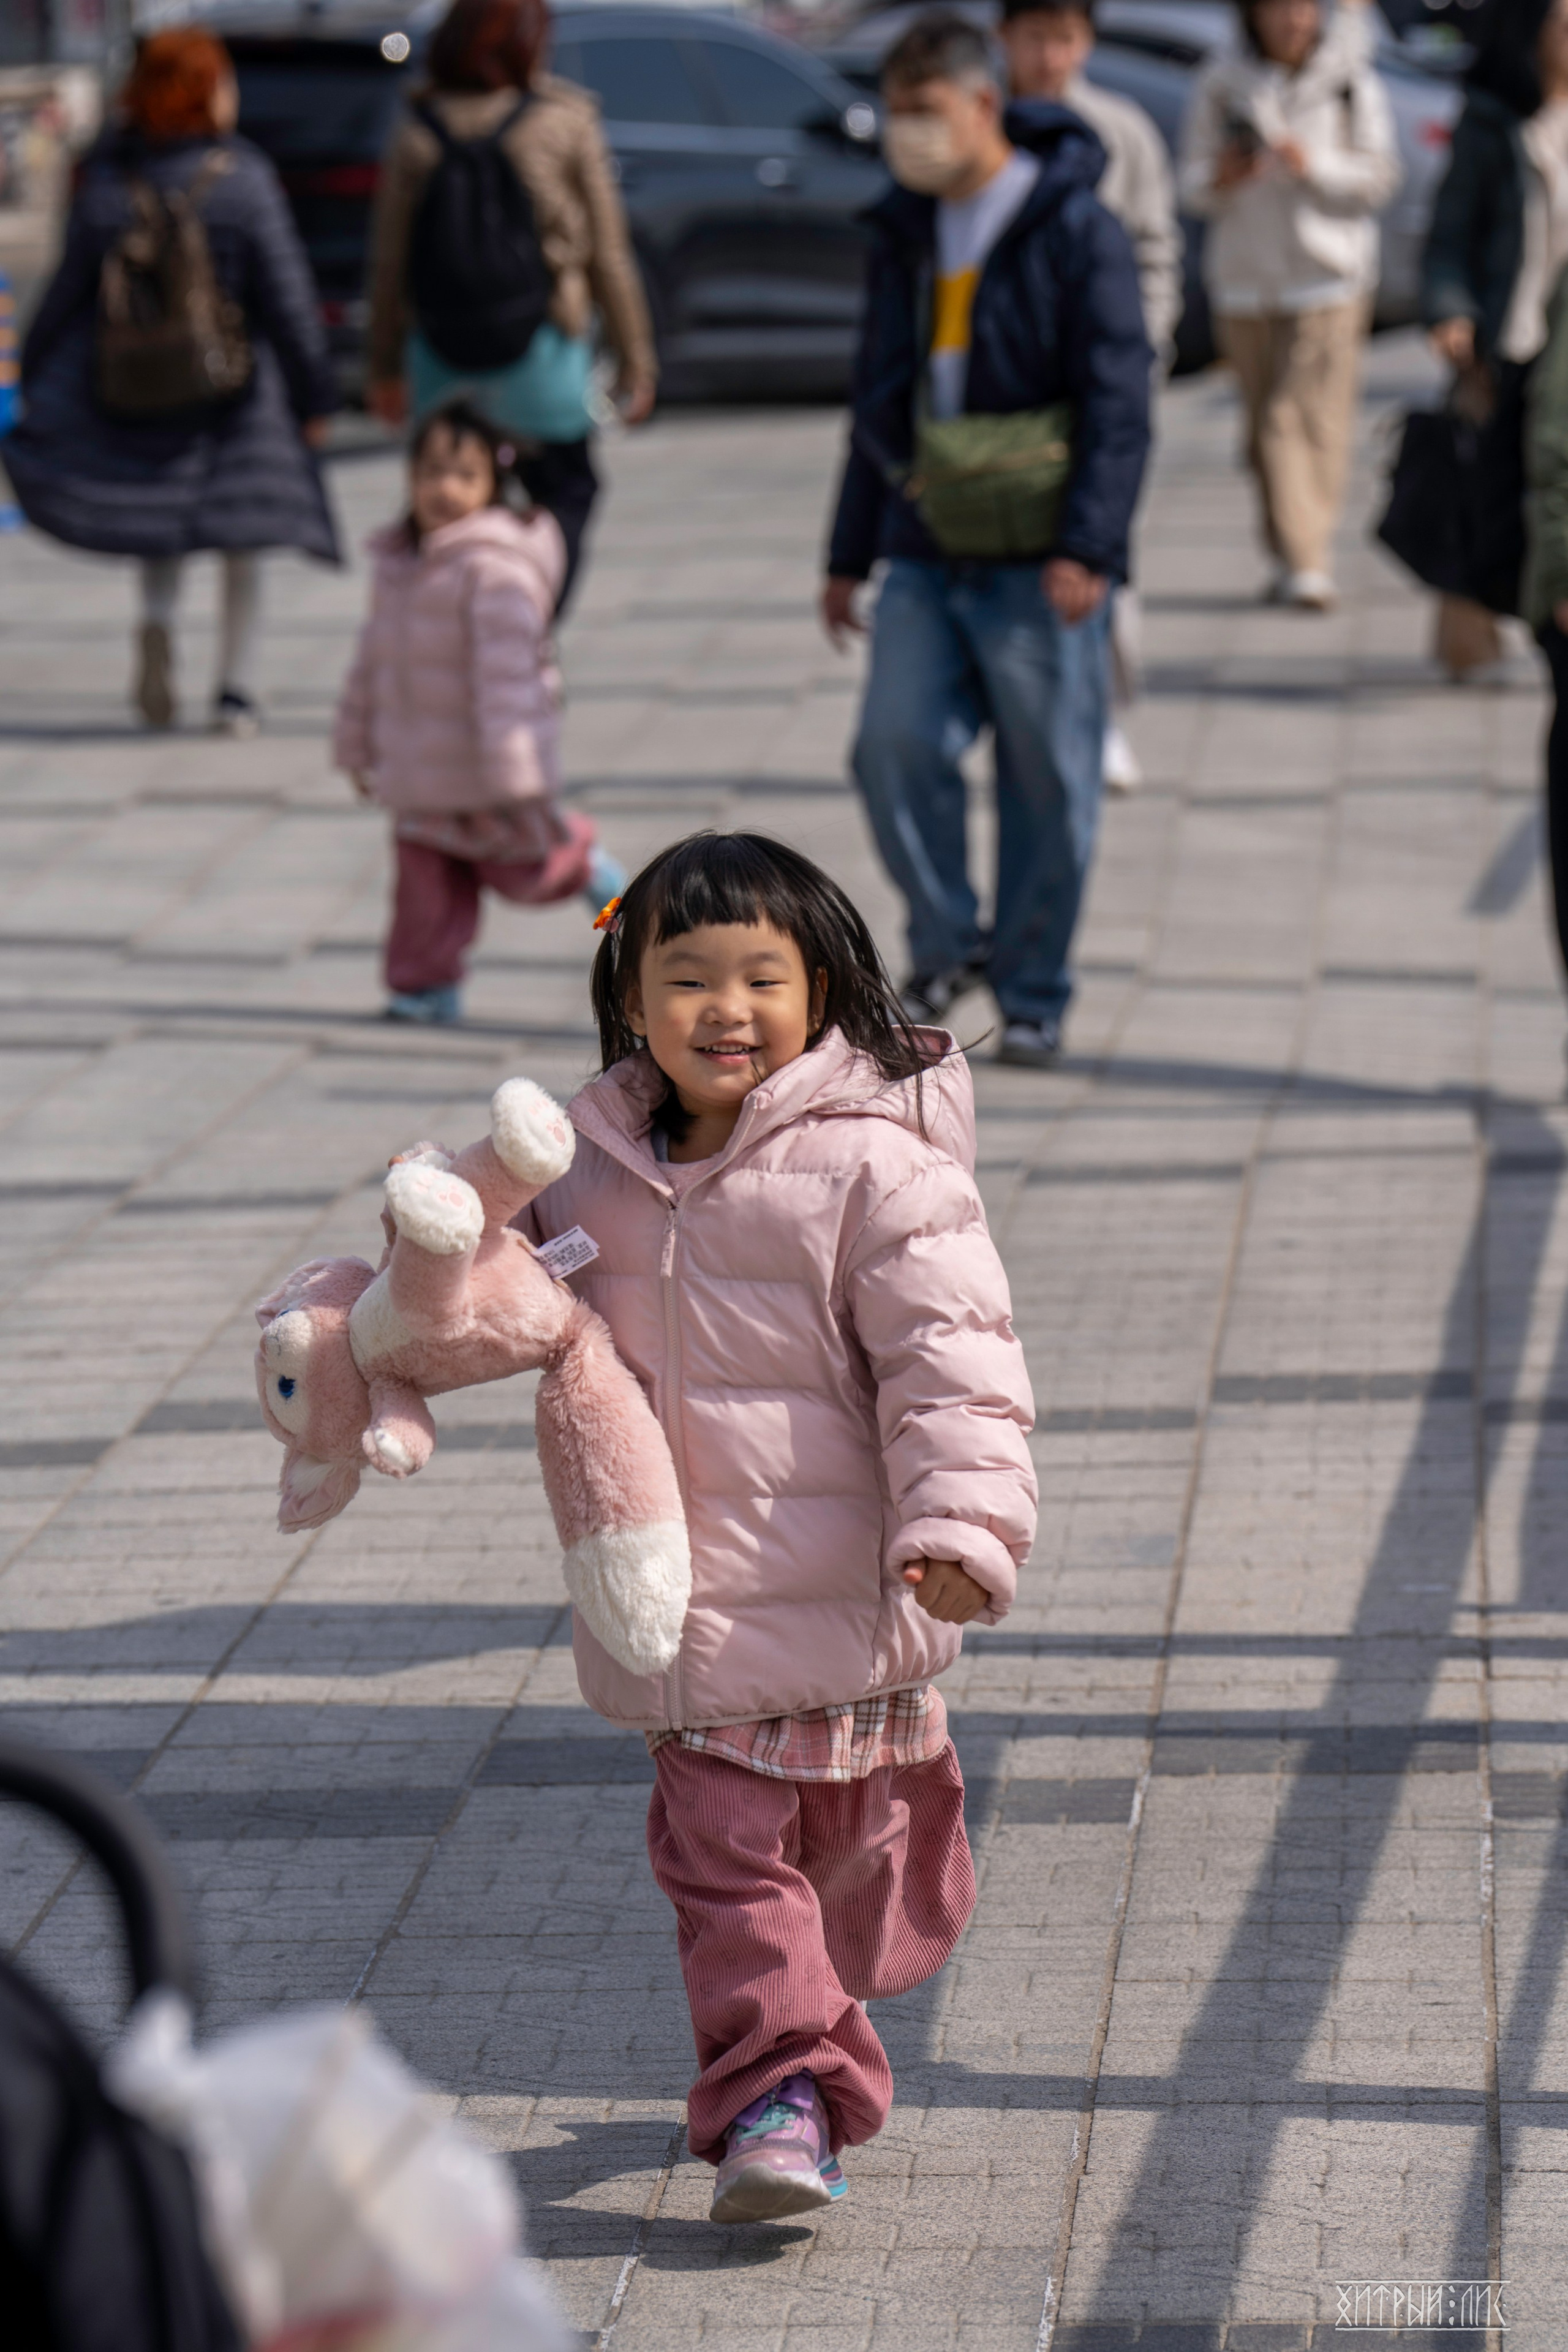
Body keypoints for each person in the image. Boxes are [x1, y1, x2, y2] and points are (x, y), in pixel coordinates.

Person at [520, 829, 1036, 2222]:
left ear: (822, 994)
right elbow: (493, 1288)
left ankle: (815, 2017)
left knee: (862, 1886)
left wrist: (962, 1528)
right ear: (631, 997)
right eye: (686, 978)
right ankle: (777, 2097)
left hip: (855, 1612)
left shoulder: (876, 1170)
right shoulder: (589, 1163)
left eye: (761, 976)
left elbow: (957, 1364)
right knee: (725, 1875)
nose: (724, 1008)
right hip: (688, 1618)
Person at [822, 10, 1151, 1069]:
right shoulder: (902, 230)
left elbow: (1119, 397)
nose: (908, 135)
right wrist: (845, 554)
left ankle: (1035, 987)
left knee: (1049, 780)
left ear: (982, 105)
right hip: (925, 540)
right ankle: (950, 936)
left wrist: (1092, 546)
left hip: (1042, 551)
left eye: (927, 113)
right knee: (891, 744)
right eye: (897, 114)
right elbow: (874, 396)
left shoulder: (1074, 226)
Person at [7, 26, 338, 735]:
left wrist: (30, 375)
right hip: (234, 391)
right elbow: (287, 298)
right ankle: (236, 693)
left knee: (160, 522)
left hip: (136, 385)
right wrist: (316, 394)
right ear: (204, 90)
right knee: (239, 541)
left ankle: (157, 624)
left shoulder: (107, 184)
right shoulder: (243, 180)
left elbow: (65, 294)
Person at [333, 399, 624, 1024]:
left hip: (486, 775)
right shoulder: (399, 563)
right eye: (431, 471)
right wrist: (357, 746)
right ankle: (425, 989)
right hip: (420, 778)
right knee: (422, 897)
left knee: (536, 876)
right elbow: (372, 662)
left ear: (494, 483)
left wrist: (515, 771)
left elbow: (509, 681)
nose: (444, 488)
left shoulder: (494, 568)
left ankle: (605, 887)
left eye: (464, 475)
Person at [364, 0, 657, 611]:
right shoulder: (565, 121)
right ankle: (528, 624)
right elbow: (608, 253)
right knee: (567, 492)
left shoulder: (417, 130)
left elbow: (388, 266)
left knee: (447, 497)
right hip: (542, 355)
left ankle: (449, 630)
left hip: (441, 358)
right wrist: (636, 360)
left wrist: (384, 368)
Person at [998, 0, 1181, 791]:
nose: (1050, 55)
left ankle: (1104, 714)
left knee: (1104, 547)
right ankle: (1027, 720)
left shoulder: (1122, 131)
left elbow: (1157, 249)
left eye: (1064, 38)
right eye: (1035, 37)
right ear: (1003, 37)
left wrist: (1143, 350)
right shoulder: (983, 123)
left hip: (1105, 385)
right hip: (1005, 399)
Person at [1178, 0, 1399, 611]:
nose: (1292, 20)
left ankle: (1308, 560)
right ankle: (1286, 555)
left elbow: (1379, 178)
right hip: (1243, 281)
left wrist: (1313, 166)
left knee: (1298, 420)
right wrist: (1222, 176)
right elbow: (1190, 186)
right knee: (1262, 432)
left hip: (1327, 276)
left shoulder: (1351, 81)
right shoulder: (1221, 81)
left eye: (1303, 6)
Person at [1424, 0, 1568, 681]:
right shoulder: (1492, 121)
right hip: (1512, 337)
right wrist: (1450, 310)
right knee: (1494, 487)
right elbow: (1450, 230)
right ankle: (1486, 621)